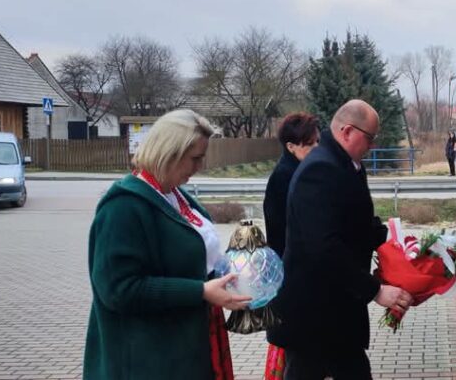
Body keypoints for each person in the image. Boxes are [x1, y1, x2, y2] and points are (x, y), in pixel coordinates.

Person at [84, 109, 251, 380]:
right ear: (169, 153)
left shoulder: (175, 195)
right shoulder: (123, 208)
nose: (200, 167)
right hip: (146, 361)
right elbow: (117, 290)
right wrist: (200, 291)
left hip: (182, 350)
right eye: (195, 158)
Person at [267, 99, 413, 379]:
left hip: (334, 311)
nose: (373, 145)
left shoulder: (345, 164)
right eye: (369, 138)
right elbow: (323, 247)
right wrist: (375, 291)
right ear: (347, 131)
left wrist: (395, 245)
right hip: (313, 312)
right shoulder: (320, 170)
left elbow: (356, 223)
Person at [263, 112, 320, 258]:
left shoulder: (301, 169)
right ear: (290, 146)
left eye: (317, 142)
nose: (316, 147)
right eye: (309, 143)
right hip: (293, 261)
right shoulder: (286, 176)